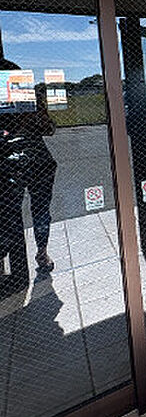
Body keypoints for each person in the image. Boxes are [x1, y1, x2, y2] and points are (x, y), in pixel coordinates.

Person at [0, 57, 57, 294]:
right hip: (31, 160)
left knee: (18, 211)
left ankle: (39, 252)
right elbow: (49, 128)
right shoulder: (23, 101)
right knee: (20, 211)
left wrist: (34, 113)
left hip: (28, 161)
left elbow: (49, 128)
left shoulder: (29, 101)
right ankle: (38, 254)